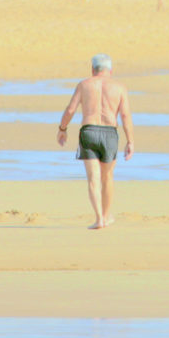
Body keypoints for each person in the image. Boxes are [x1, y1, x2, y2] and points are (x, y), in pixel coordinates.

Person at [57, 54, 135, 229]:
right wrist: (130, 141)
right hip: (110, 133)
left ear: (92, 70)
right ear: (111, 70)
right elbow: (125, 115)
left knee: (93, 179)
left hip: (89, 132)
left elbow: (70, 110)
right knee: (107, 177)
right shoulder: (119, 87)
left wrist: (62, 129)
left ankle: (99, 218)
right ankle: (106, 217)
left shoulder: (84, 85)